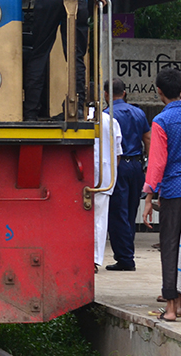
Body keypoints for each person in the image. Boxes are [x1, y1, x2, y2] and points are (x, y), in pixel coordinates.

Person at [143, 68, 181, 321]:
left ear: (159, 92)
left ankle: (170, 307)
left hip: (173, 191)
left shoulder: (161, 121)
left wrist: (148, 195)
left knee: (169, 246)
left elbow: (157, 162)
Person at [105, 78, 152, 271]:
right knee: (131, 211)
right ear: (124, 93)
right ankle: (127, 252)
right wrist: (147, 165)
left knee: (118, 213)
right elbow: (147, 138)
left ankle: (125, 258)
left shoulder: (107, 115)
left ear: (106, 95)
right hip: (136, 167)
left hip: (118, 166)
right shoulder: (138, 112)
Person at [94, 108, 122, 272]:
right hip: (104, 175)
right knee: (99, 220)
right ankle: (94, 260)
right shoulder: (110, 121)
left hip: (81, 173)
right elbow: (117, 152)